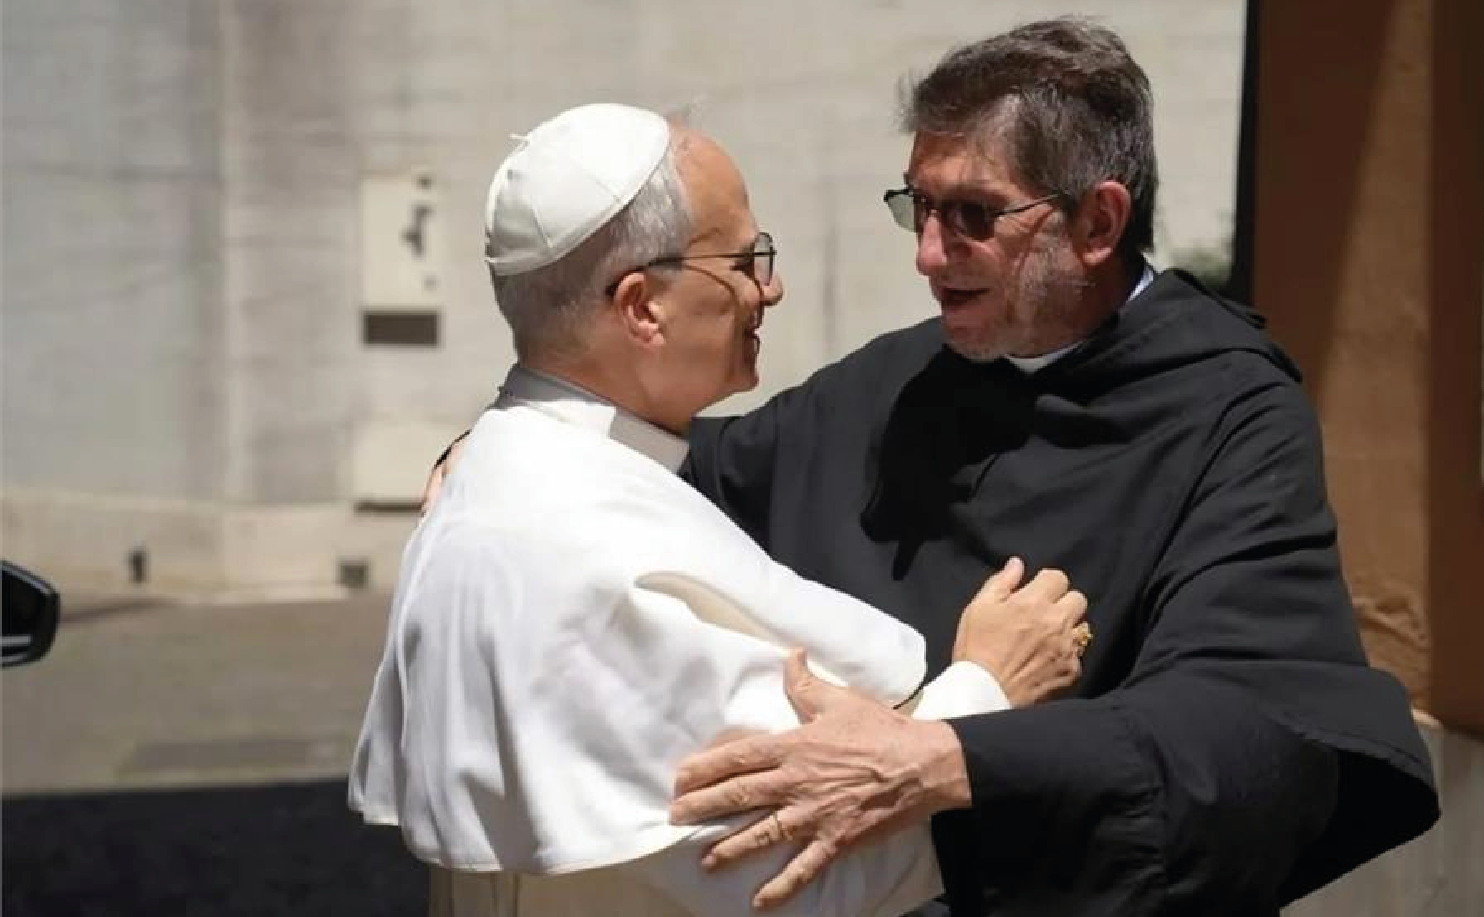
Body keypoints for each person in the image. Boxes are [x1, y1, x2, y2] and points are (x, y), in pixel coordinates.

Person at [657, 17, 1440, 917]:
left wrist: (943, 757)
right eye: (919, 206)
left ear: (1097, 221)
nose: (926, 254)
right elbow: (680, 476)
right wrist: (535, 420)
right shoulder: (894, 379)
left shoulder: (1231, 413)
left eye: (972, 215)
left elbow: (1236, 726)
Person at [349, 102, 1094, 917]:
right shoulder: (580, 551)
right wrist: (987, 689)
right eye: (743, 260)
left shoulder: (504, 470)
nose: (768, 287)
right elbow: (785, 876)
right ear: (642, 306)